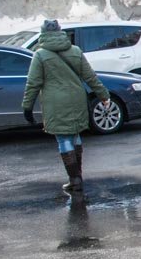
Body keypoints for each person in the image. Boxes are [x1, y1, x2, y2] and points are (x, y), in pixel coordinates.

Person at [21, 19, 112, 193]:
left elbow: (33, 83)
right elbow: (90, 77)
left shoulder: (40, 55)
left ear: (43, 34)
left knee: (63, 138)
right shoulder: (75, 51)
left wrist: (27, 107)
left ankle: (74, 179)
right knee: (75, 134)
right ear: (60, 31)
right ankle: (78, 177)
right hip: (76, 98)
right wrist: (103, 95)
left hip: (55, 102)